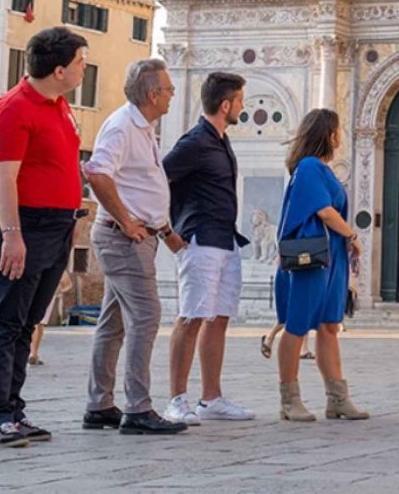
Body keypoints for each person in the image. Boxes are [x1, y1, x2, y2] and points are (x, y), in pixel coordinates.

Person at [0, 26, 88, 449]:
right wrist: (12, 236)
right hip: (21, 223)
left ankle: (13, 410)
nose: (83, 69)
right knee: (4, 320)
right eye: (79, 63)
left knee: (27, 323)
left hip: (57, 226)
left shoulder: (59, 107)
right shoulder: (12, 109)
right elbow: (3, 178)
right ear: (59, 69)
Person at [81, 59, 188, 437]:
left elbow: (141, 188)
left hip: (135, 236)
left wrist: (166, 232)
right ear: (152, 93)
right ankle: (138, 408)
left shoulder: (142, 128)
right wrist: (127, 220)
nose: (173, 94)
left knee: (112, 323)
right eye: (169, 88)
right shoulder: (124, 126)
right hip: (123, 237)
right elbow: (96, 172)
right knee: (145, 317)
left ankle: (99, 404)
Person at [161, 72, 254, 424]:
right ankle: (176, 400)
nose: (243, 107)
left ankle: (211, 398)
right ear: (225, 104)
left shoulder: (220, 140)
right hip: (199, 240)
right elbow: (158, 178)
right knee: (191, 317)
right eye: (241, 101)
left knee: (218, 318)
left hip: (225, 240)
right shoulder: (195, 142)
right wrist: (166, 231)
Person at [274, 108, 370, 422]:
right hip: (311, 258)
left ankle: (338, 399)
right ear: (329, 134)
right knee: (297, 326)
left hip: (332, 259)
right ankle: (289, 400)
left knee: (330, 326)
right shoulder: (310, 166)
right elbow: (324, 211)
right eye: (338, 130)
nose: (340, 135)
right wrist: (352, 234)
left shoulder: (322, 169)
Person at [28, 270, 71, 366]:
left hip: (38, 294)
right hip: (48, 295)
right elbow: (67, 285)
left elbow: (67, 284)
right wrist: (58, 291)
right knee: (40, 324)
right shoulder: (56, 263)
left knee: (36, 323)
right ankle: (34, 352)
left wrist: (58, 291)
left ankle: (33, 352)